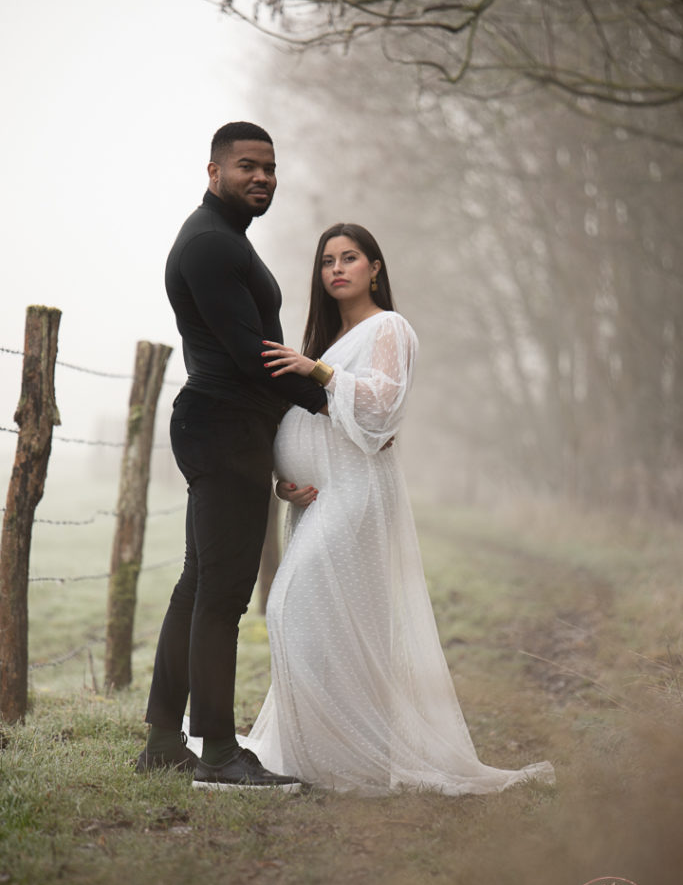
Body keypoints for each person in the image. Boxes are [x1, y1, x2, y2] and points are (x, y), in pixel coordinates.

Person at [218, 223, 555, 795]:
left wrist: (314, 370)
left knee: (289, 606)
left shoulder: (389, 328)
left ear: (375, 268)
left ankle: (353, 754)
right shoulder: (328, 341)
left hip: (357, 493)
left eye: (350, 258)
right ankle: (324, 755)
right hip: (317, 499)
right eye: (328, 261)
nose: (337, 269)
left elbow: (379, 410)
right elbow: (315, 423)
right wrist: (288, 481)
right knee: (326, 625)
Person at [136, 121, 328, 791]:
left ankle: (163, 741)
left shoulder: (221, 239)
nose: (261, 178)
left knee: (198, 585)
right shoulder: (211, 245)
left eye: (269, 169)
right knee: (221, 595)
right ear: (213, 170)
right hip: (222, 427)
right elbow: (255, 357)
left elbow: (252, 356)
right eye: (247, 165)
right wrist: (332, 400)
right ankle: (218, 752)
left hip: (224, 425)